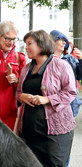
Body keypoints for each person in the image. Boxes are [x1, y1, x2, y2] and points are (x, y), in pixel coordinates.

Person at [16, 30, 77, 167]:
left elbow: (70, 92)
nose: (26, 47)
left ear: (42, 45)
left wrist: (47, 99)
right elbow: (18, 92)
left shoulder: (61, 65)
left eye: (29, 43)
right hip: (29, 132)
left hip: (54, 135)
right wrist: (21, 96)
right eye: (25, 44)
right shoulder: (26, 68)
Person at [50, 30, 82, 118]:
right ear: (52, 41)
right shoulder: (46, 60)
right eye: (60, 39)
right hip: (53, 103)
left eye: (65, 41)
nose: (64, 42)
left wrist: (81, 60)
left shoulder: (70, 59)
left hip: (71, 103)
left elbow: (80, 76)